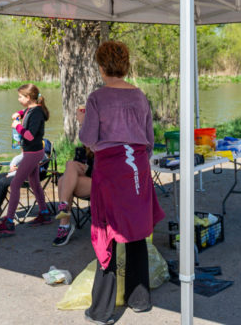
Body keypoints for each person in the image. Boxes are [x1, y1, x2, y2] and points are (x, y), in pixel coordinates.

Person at [78, 40, 165, 324]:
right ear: (125, 66)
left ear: (101, 67)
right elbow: (149, 140)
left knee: (107, 233)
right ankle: (139, 299)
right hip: (137, 166)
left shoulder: (97, 98)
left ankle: (102, 310)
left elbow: (88, 139)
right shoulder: (139, 96)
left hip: (111, 169)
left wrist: (82, 120)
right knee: (136, 230)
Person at [0, 84, 52, 235]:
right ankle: (44, 214)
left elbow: (30, 136)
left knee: (15, 184)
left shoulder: (36, 113)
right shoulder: (31, 110)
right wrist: (18, 113)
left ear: (28, 97)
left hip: (32, 153)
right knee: (35, 183)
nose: (18, 99)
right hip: (31, 152)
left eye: (20, 96)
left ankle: (9, 222)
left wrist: (17, 126)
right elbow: (25, 112)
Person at [51, 145, 93, 247]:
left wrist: (87, 169)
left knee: (63, 181)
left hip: (104, 183)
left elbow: (105, 172)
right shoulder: (82, 149)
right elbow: (74, 173)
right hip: (87, 182)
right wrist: (83, 168)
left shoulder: (105, 145)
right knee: (65, 174)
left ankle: (64, 225)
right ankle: (64, 210)